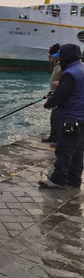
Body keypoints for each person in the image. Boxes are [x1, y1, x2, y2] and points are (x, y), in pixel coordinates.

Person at [39, 44, 84, 189]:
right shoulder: (82, 68)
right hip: (82, 117)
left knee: (64, 149)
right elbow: (75, 91)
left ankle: (57, 180)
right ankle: (74, 179)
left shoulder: (70, 73)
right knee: (77, 150)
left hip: (71, 117)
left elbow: (61, 96)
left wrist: (48, 103)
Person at [41, 43, 61, 146]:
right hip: (53, 93)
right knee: (53, 117)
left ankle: (58, 139)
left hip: (59, 95)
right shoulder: (57, 64)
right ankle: (53, 136)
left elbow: (66, 81)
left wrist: (57, 86)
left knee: (58, 117)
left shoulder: (63, 65)